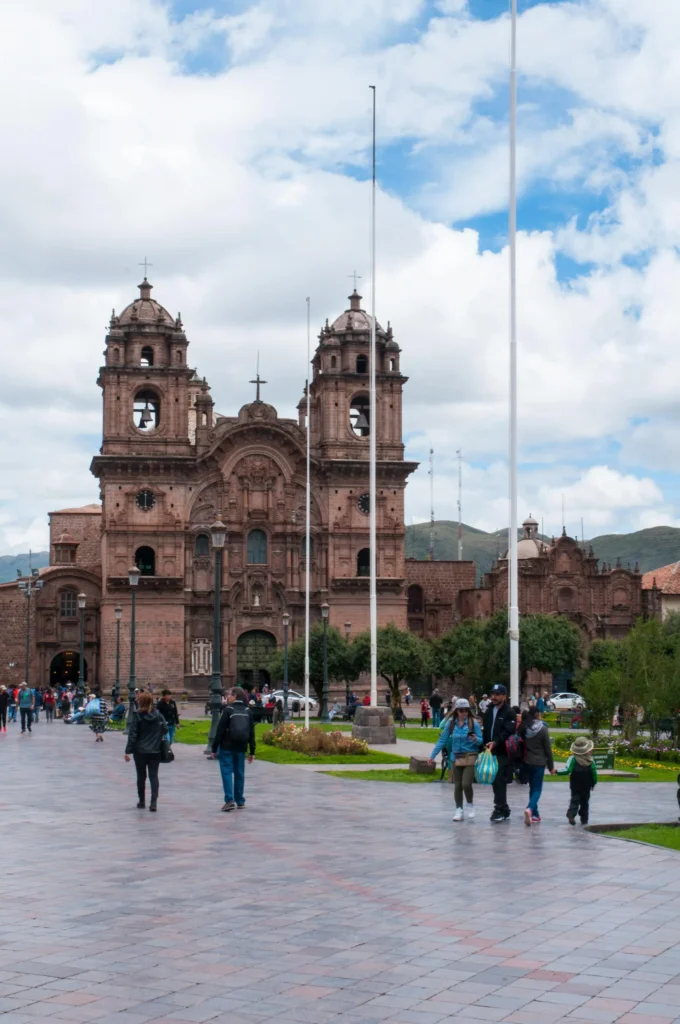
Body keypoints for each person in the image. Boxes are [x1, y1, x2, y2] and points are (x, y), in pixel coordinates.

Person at [429, 698, 483, 821]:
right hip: (455, 757)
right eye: (461, 710)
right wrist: (432, 756)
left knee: (466, 784)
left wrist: (475, 739)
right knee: (457, 785)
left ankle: (470, 804)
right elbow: (442, 740)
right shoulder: (451, 723)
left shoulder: (473, 723)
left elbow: (481, 740)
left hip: (469, 756)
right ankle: (459, 809)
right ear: (456, 711)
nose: (464, 713)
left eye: (466, 710)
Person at [211, 686, 256, 812]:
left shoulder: (228, 709)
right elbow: (251, 733)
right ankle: (240, 800)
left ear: (235, 696)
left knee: (226, 772)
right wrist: (252, 751)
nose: (228, 697)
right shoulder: (248, 710)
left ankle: (229, 800)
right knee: (239, 773)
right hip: (241, 747)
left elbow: (220, 730)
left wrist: (214, 748)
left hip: (227, 746)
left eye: (229, 695)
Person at [124, 691, 166, 812]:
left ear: (141, 701)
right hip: (155, 751)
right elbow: (165, 729)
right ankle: (153, 803)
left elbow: (133, 734)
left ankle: (142, 801)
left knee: (141, 776)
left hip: (140, 751)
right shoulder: (158, 715)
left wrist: (127, 751)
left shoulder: (137, 715)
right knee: (154, 776)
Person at [482, 684, 517, 822]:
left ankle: (498, 808)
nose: (494, 697)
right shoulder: (489, 710)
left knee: (498, 778)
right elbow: (486, 729)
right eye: (493, 694)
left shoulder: (509, 712)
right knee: (494, 780)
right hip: (489, 751)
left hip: (503, 751)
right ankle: (504, 807)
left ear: (504, 696)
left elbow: (507, 731)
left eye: (497, 694)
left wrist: (495, 742)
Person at [519, 706, 555, 825]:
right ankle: (530, 809)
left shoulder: (524, 727)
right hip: (539, 763)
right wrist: (551, 766)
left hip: (527, 762)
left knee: (532, 788)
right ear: (537, 714)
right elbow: (548, 750)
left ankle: (535, 814)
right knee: (537, 789)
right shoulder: (543, 729)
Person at [558, 736, 598, 825]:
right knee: (585, 802)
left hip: (575, 784)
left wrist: (557, 771)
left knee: (574, 799)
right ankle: (584, 819)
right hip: (587, 785)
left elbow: (567, 770)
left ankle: (571, 813)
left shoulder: (573, 759)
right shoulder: (591, 761)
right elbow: (594, 773)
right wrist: (594, 782)